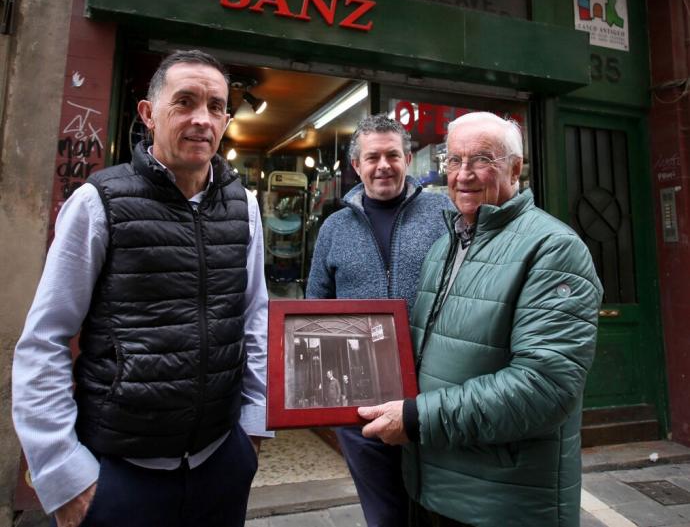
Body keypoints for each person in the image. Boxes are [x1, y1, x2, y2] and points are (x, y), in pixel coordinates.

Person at [12, 50, 272, 527]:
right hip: (118, 476)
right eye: (185, 102)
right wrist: (62, 472)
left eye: (215, 106)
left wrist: (252, 430)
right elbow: (44, 340)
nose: (201, 119)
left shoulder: (245, 206)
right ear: (149, 114)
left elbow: (254, 318)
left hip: (220, 464)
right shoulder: (97, 202)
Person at [358, 111, 603, 527]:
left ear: (516, 167)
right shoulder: (445, 246)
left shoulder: (554, 249)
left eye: (482, 159)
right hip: (432, 486)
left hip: (503, 499)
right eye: (453, 160)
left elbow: (545, 387)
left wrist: (418, 419)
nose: (463, 174)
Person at [306, 114, 453, 527]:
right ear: (357, 165)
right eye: (372, 157)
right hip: (361, 403)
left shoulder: (445, 213)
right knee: (384, 515)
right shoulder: (334, 228)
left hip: (433, 394)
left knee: (437, 511)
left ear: (408, 159)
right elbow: (315, 306)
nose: (383, 165)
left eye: (392, 155)